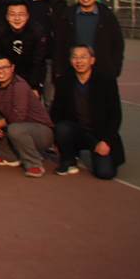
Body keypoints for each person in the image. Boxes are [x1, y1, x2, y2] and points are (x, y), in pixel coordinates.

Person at [51, 45, 125, 179]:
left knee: (105, 173)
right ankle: (69, 159)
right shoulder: (64, 81)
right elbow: (56, 112)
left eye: (83, 57)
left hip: (100, 134)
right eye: (75, 57)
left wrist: (106, 141)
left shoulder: (106, 81)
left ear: (92, 60)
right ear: (70, 61)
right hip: (76, 131)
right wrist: (56, 138)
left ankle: (98, 150)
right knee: (62, 128)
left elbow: (115, 115)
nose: (79, 61)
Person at [0, 54, 54, 177]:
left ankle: (34, 164)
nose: (0, 71)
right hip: (17, 126)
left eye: (4, 67)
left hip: (41, 131)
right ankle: (9, 157)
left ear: (12, 68)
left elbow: (18, 116)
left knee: (14, 128)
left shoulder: (19, 85)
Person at [55, 0, 124, 80]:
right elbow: (59, 44)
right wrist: (59, 70)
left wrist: (115, 69)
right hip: (72, 72)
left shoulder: (107, 16)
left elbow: (118, 44)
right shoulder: (67, 16)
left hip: (102, 72)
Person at [0, 0, 45, 93]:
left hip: (30, 74)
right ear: (7, 17)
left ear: (27, 16)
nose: (17, 18)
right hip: (5, 76)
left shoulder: (37, 32)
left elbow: (38, 61)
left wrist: (34, 87)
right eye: (12, 14)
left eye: (21, 14)